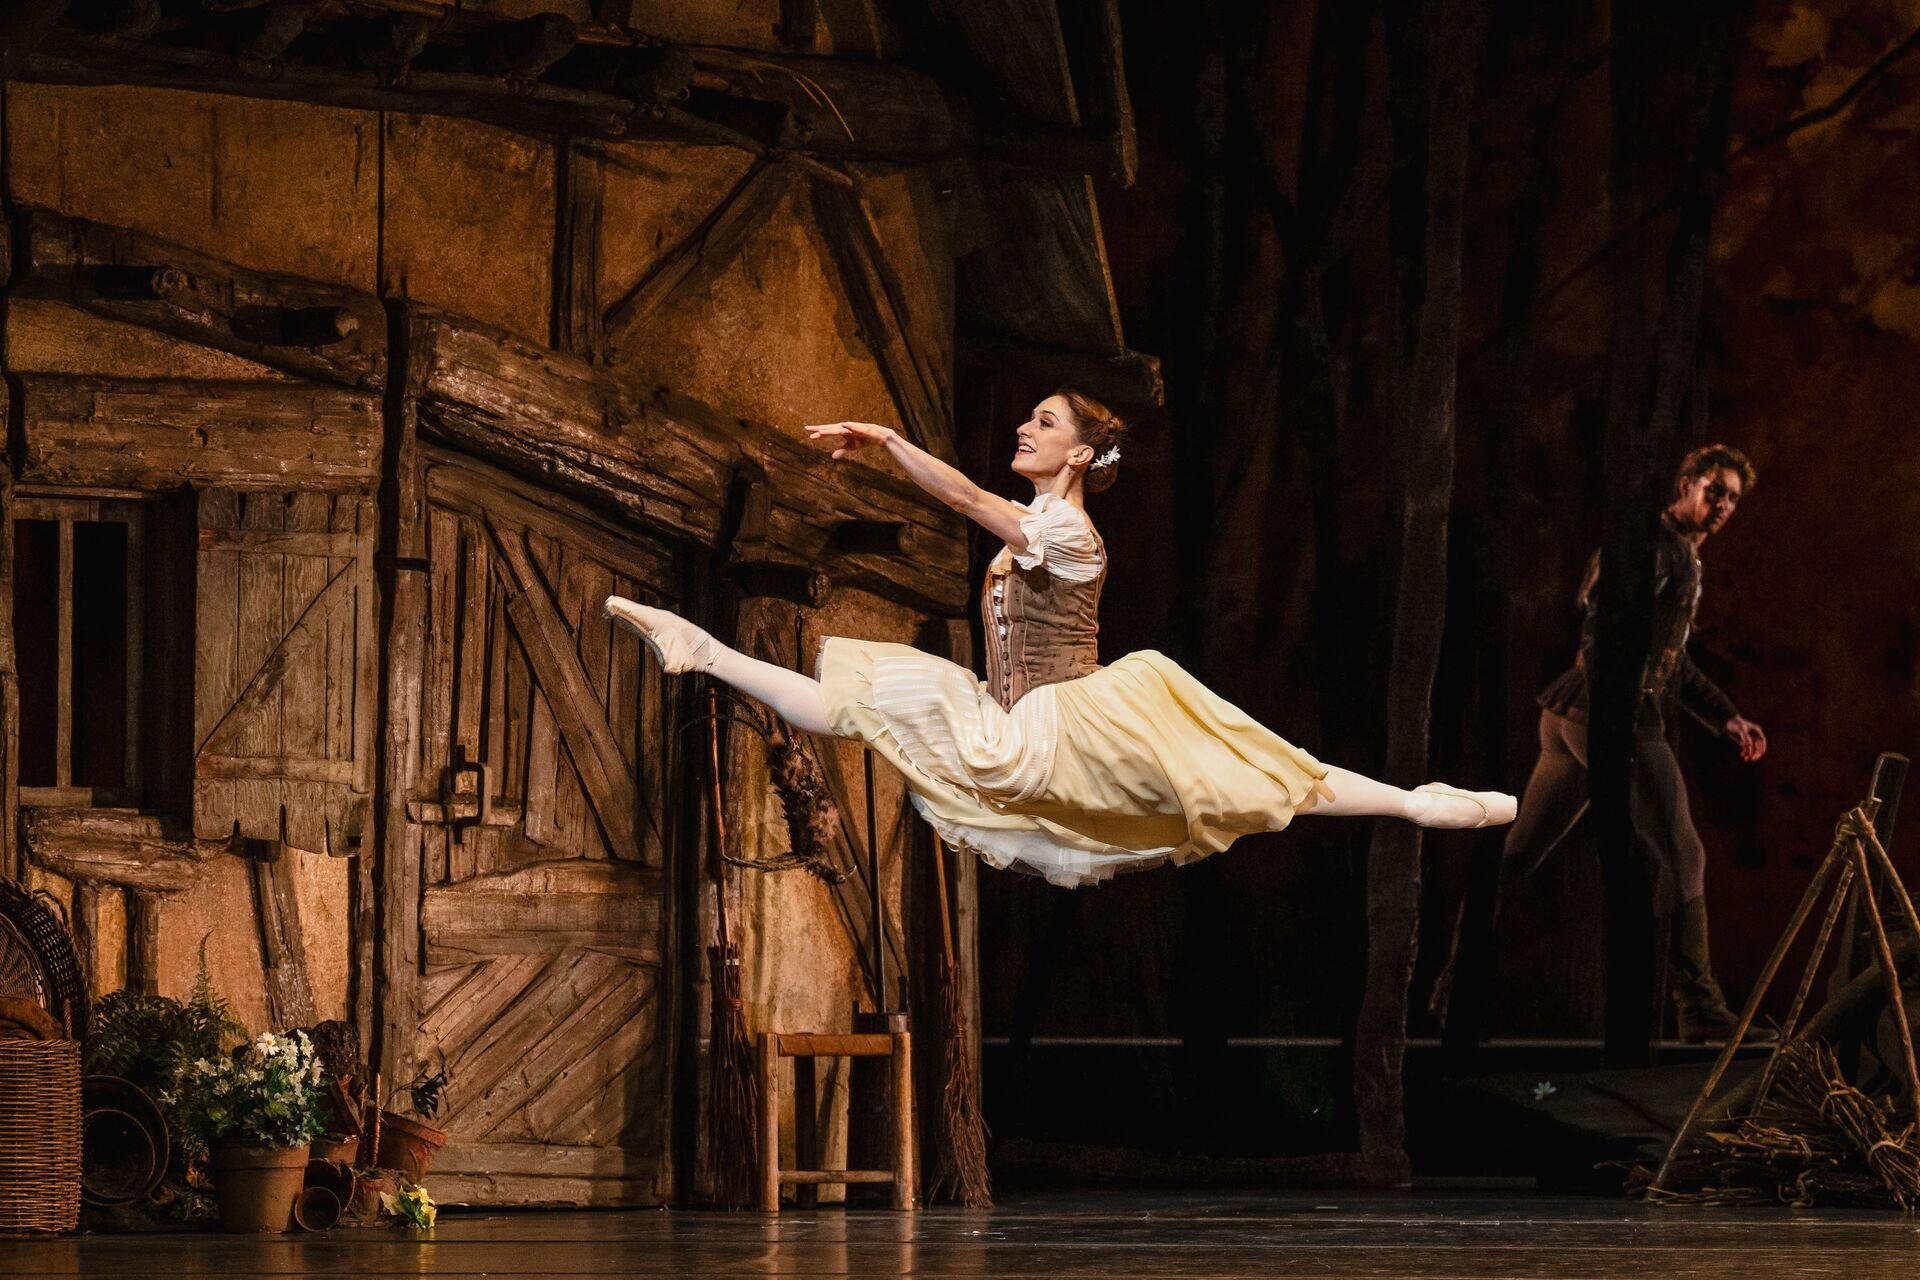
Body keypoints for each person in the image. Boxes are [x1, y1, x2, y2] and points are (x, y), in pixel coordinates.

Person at [605, 390, 1516, 888]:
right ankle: (702, 649)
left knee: (1250, 777)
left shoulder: (1066, 533)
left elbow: (968, 502)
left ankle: (1413, 804)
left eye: (1044, 422)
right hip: (1011, 712)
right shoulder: (1040, 522)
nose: (1024, 428)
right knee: (864, 698)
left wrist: (887, 440)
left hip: (1063, 719)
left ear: (1079, 453)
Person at [1431, 444, 1766, 1042]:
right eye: (1715, 490)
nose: (1723, 506)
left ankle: (1455, 985)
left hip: (1577, 716)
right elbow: (1598, 620)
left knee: (1517, 856)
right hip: (1606, 715)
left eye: (1733, 499)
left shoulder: (1682, 555)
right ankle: (1700, 1009)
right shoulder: (1650, 546)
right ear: (1685, 483)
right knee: (1683, 852)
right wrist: (1616, 707)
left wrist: (1727, 717)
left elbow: (1674, 660)